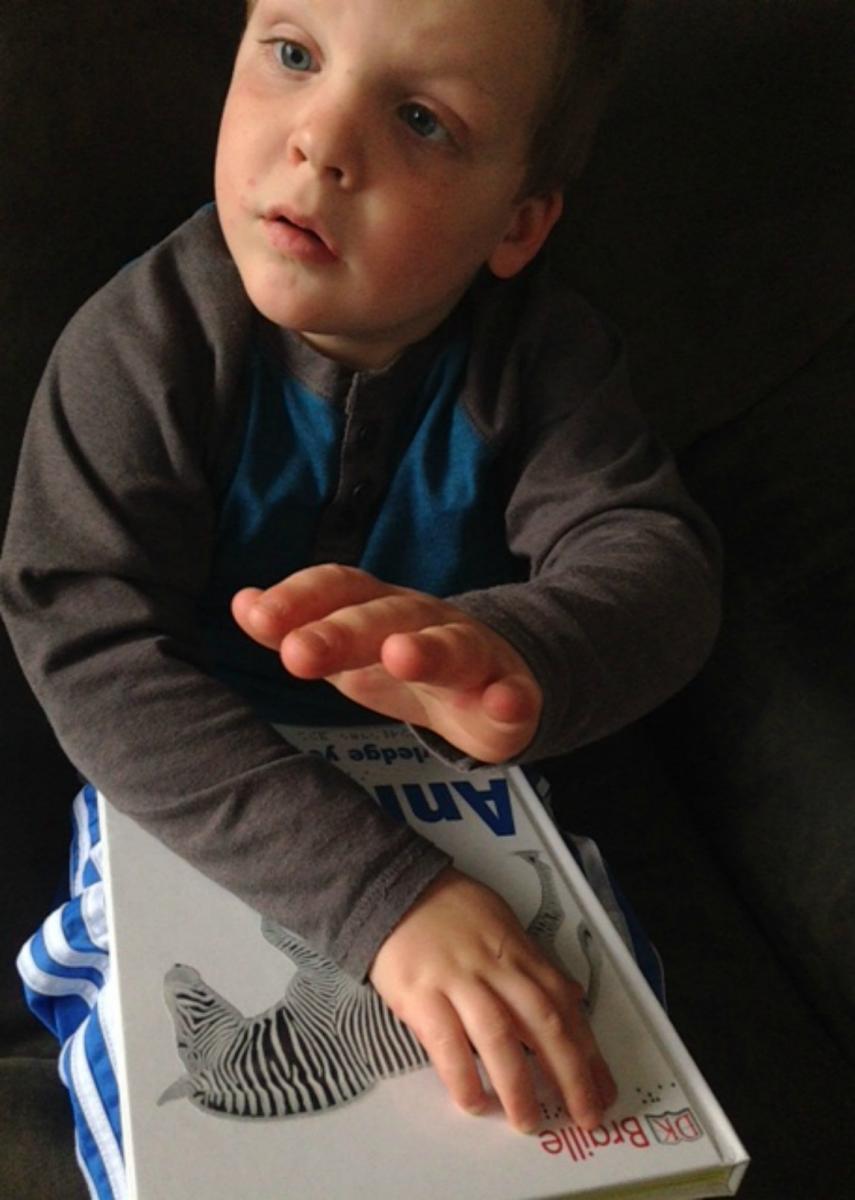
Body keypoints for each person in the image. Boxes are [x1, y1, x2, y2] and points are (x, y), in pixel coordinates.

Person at [0, 0, 721, 1196]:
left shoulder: (545, 361)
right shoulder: (145, 344)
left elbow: (656, 561)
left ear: (519, 221)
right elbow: (86, 645)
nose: (321, 142)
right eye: (292, 55)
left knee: (587, 1072)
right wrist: (385, 901)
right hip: (189, 788)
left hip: (470, 799)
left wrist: (508, 647)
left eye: (423, 121)